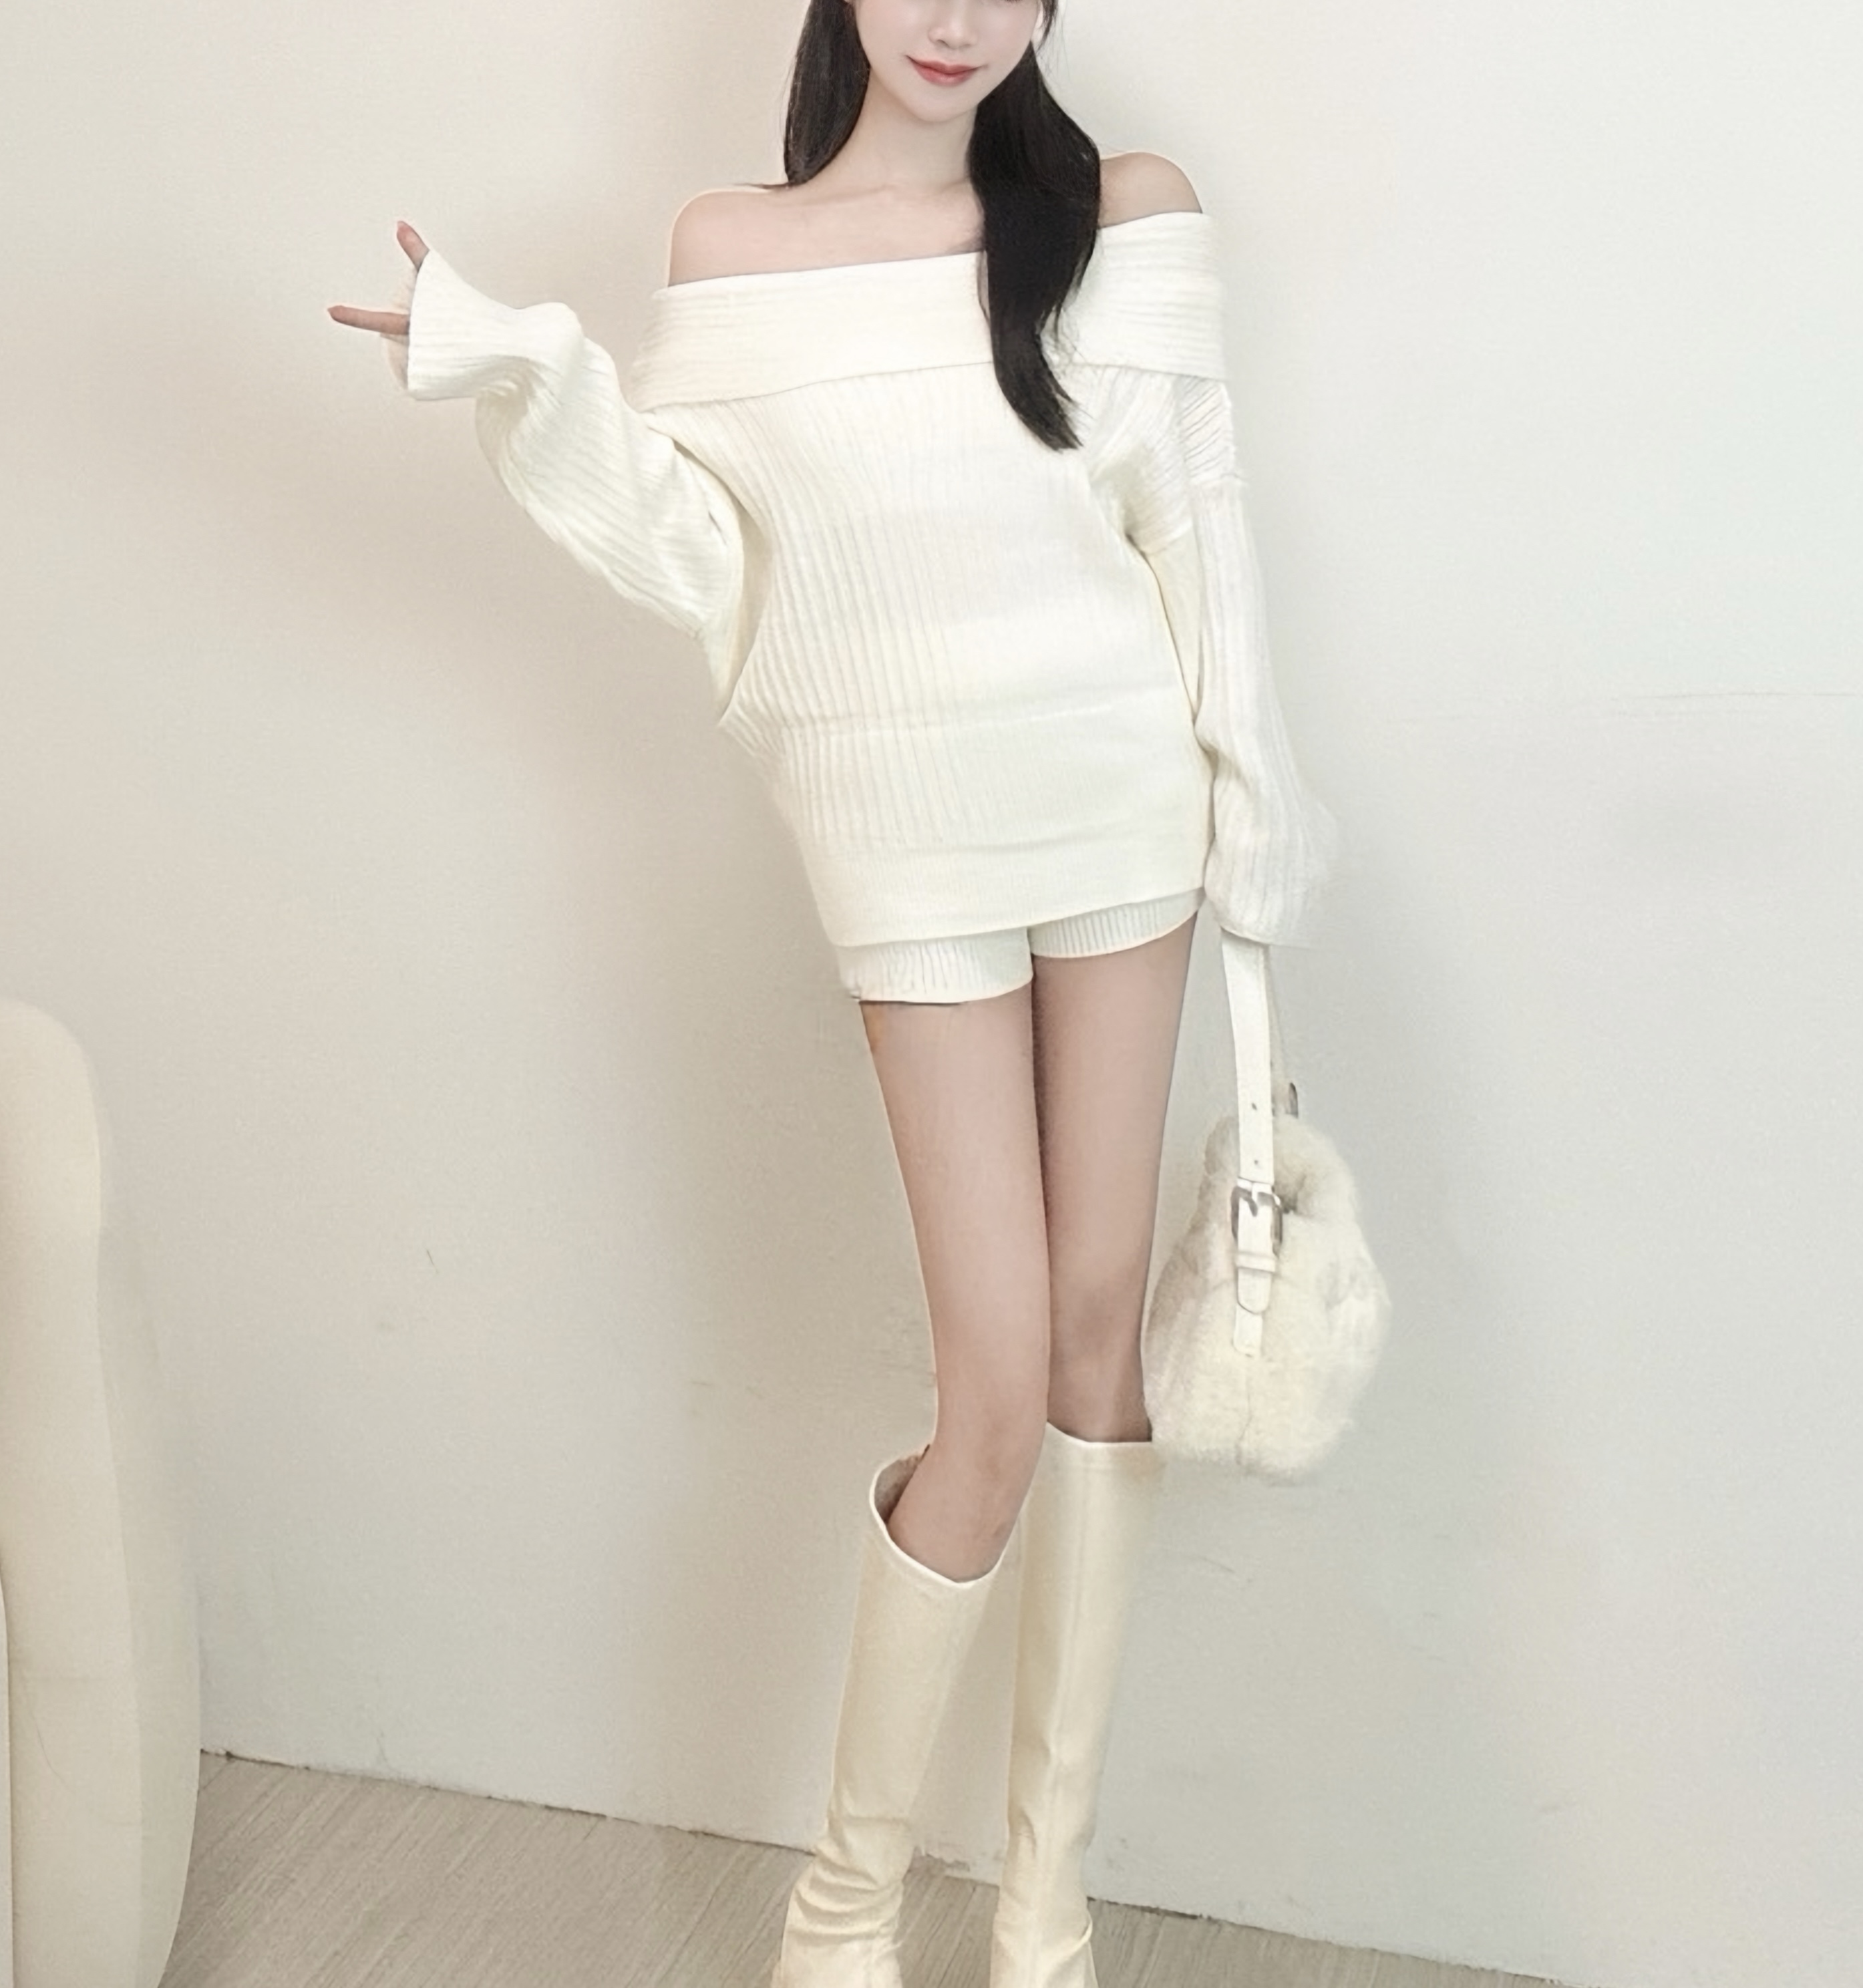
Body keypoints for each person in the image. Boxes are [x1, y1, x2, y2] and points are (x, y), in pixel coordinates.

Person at [331, 2, 1338, 1981]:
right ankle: (845, 1905)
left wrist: (1259, 811)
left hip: (1119, 800)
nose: (955, 19)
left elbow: (1199, 528)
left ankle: (1045, 1901)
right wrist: (524, 370)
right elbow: (705, 550)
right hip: (900, 830)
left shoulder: (1125, 216)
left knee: (1093, 1351)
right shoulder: (733, 248)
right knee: (990, 1390)